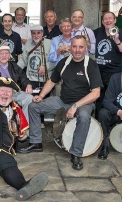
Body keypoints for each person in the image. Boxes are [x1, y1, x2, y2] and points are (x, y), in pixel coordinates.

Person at [18, 36, 103, 171]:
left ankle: (76, 153)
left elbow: (96, 93)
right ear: (70, 48)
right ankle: (36, 142)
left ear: (86, 48)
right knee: (33, 106)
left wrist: (75, 106)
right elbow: (52, 81)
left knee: (84, 116)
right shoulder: (63, 63)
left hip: (84, 104)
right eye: (74, 46)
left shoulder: (91, 65)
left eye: (81, 47)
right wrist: (40, 96)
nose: (77, 50)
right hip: (63, 101)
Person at [0, 46, 33, 122]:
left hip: (13, 93)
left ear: (9, 56)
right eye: (1, 54)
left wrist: (28, 85)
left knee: (29, 98)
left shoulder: (15, 66)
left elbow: (23, 78)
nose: (4, 56)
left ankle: (23, 125)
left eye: (6, 53)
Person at [94, 11, 122, 119]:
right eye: (105, 19)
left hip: (113, 72)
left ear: (115, 20)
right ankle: (99, 121)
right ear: (102, 21)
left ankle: (110, 121)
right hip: (98, 71)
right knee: (98, 97)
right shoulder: (97, 32)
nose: (108, 21)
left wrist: (117, 40)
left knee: (111, 98)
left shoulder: (121, 33)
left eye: (110, 18)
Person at [17, 25, 54, 128]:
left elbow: (55, 61)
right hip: (30, 78)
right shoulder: (28, 43)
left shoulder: (50, 43)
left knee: (42, 102)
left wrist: (46, 67)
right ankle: (30, 123)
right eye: (33, 33)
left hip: (44, 80)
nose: (36, 35)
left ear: (42, 33)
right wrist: (14, 70)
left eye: (38, 33)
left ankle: (40, 122)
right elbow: (24, 60)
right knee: (31, 101)